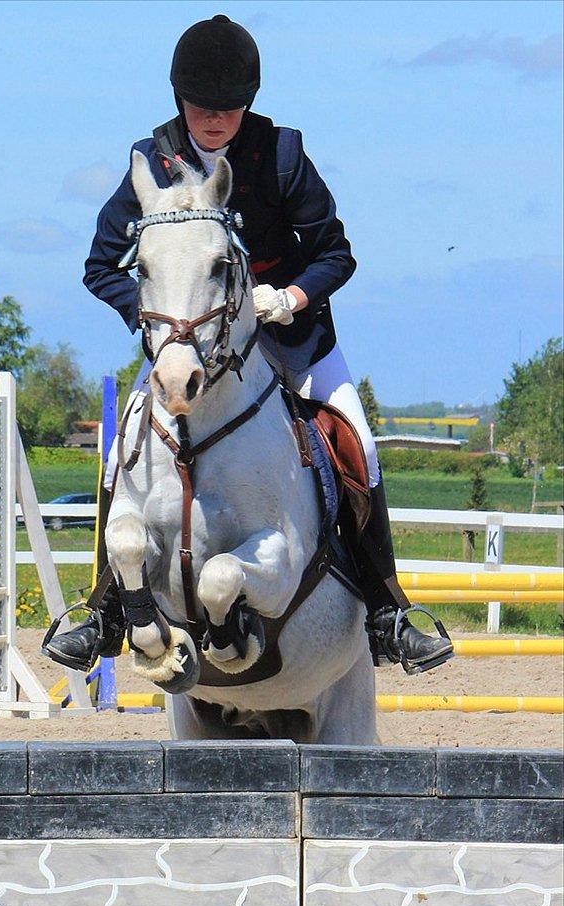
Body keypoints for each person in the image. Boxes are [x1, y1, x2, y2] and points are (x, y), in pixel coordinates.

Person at [44, 14, 453, 676]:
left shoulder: (281, 155)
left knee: (358, 439)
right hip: (191, 347)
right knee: (121, 450)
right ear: (180, 100)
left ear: (247, 103)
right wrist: (156, 321)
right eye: (201, 109)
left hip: (292, 339)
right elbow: (101, 266)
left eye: (227, 109)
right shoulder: (151, 163)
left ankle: (388, 611)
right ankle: (104, 611)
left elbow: (333, 253)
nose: (213, 120)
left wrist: (289, 298)